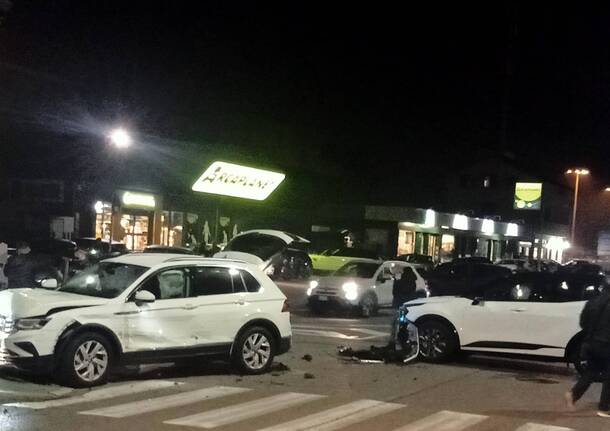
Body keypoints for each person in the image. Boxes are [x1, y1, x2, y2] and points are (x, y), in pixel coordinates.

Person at [565, 286, 610, 417]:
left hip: (590, 343)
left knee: (591, 372)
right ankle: (604, 407)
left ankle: (573, 395)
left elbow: (583, 323)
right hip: (607, 344)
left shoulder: (591, 303)